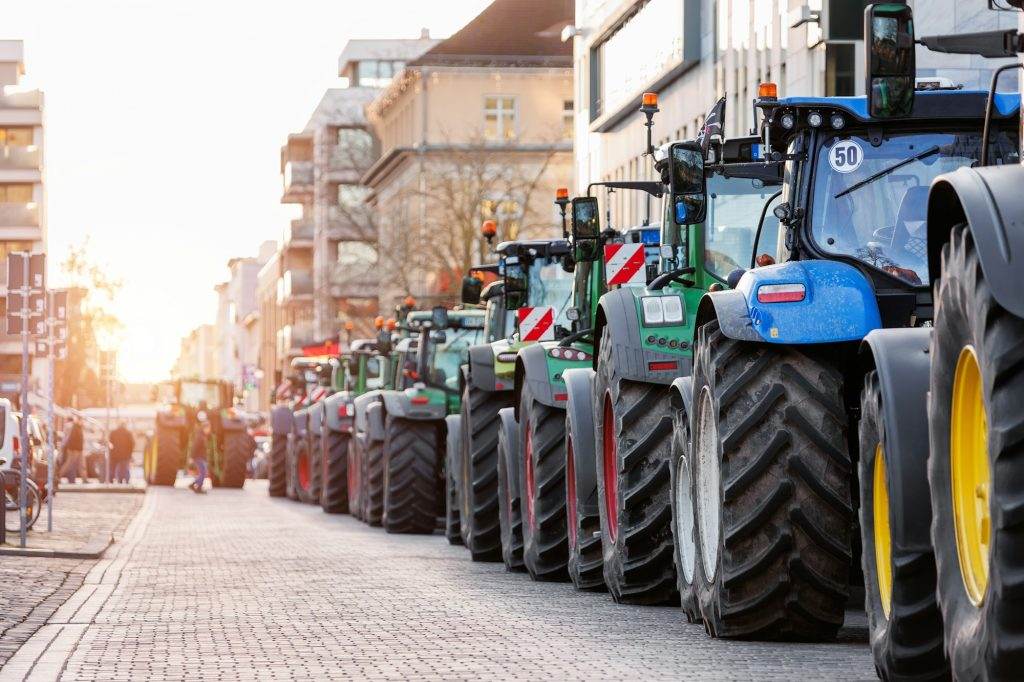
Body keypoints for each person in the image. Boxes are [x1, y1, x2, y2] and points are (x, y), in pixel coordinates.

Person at [59, 417, 85, 484]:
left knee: (80, 464)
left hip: (77, 448)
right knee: (69, 463)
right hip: (75, 449)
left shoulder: (77, 427)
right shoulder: (74, 427)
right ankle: (58, 476)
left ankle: (84, 479)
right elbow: (72, 439)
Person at [189, 421, 210, 494]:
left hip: (201, 458)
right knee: (203, 473)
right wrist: (191, 457)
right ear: (205, 428)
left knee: (203, 473)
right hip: (199, 458)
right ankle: (196, 486)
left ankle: (196, 486)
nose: (209, 430)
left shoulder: (202, 436)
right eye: (208, 428)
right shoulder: (200, 437)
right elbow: (195, 447)